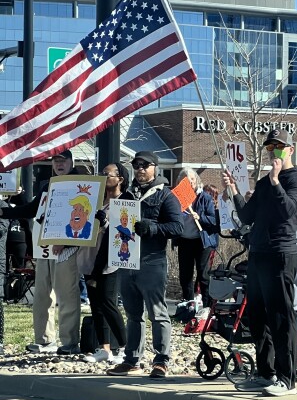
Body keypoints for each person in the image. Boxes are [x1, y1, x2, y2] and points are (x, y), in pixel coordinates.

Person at [222, 129, 297, 397]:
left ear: (290, 150)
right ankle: (265, 372)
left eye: (279, 146)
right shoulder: (262, 183)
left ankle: (287, 378)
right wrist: (234, 191)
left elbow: (288, 211)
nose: (274, 151)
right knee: (258, 316)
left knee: (281, 316)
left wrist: (275, 182)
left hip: (280, 254)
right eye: (270, 147)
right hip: (258, 252)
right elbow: (247, 216)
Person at [107, 151, 183, 379]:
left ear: (155, 168)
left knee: (157, 313)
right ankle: (132, 360)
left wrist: (153, 228)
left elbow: (177, 227)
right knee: (133, 314)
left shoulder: (166, 195)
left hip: (152, 260)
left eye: (145, 165)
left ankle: (161, 360)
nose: (140, 169)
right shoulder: (128, 194)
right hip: (127, 259)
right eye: (136, 165)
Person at [1, 150, 80, 354]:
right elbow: (30, 209)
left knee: (67, 296)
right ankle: (44, 340)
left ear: (72, 162)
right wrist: (4, 211)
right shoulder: (47, 185)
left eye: (63, 160)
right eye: (55, 160)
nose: (59, 164)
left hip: (67, 249)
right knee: (42, 296)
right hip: (44, 247)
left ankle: (69, 342)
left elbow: (83, 216)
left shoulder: (79, 184)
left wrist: (66, 241)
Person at [80, 162, 128, 363]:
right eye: (102, 173)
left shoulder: (125, 201)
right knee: (96, 305)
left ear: (120, 179)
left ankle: (125, 348)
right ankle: (104, 348)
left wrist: (107, 223)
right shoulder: (96, 199)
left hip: (110, 261)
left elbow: (125, 232)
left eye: (107, 174)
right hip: (90, 258)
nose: (103, 176)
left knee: (108, 303)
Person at [173, 168, 220, 311]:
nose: (190, 182)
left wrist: (201, 218)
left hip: (202, 242)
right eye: (186, 180)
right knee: (185, 276)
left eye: (192, 179)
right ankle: (188, 306)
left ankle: (206, 308)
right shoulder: (177, 199)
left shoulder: (204, 198)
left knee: (203, 275)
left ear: (196, 180)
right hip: (184, 240)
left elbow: (214, 221)